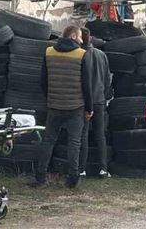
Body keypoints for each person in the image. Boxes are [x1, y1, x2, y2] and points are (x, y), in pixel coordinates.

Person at [33, 26, 93, 189]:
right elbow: (87, 85)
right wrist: (89, 108)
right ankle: (72, 179)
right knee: (74, 142)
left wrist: (50, 98)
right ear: (73, 36)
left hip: (54, 105)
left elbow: (43, 82)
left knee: (48, 141)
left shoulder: (49, 52)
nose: (82, 40)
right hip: (76, 106)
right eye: (80, 37)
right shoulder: (82, 55)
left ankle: (40, 178)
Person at [79, 28, 113, 179]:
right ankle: (103, 169)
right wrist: (105, 96)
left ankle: (81, 169)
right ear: (91, 38)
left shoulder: (78, 55)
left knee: (83, 135)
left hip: (82, 101)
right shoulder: (102, 55)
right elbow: (107, 79)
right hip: (99, 100)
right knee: (100, 135)